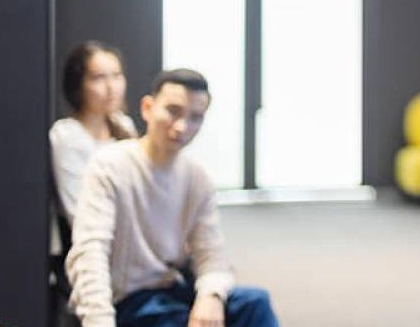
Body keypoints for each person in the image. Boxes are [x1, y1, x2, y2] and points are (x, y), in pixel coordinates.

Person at [66, 68, 278, 327]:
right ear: (147, 108)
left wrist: (210, 296)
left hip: (172, 291)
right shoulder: (110, 166)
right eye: (173, 111)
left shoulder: (197, 178)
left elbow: (212, 256)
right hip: (127, 301)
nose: (182, 126)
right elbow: (90, 254)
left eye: (195, 117)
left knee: (254, 303)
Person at [50, 41, 138, 224]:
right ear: (78, 85)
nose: (111, 87)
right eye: (98, 78)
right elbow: (77, 210)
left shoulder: (124, 124)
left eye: (116, 76)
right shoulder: (67, 134)